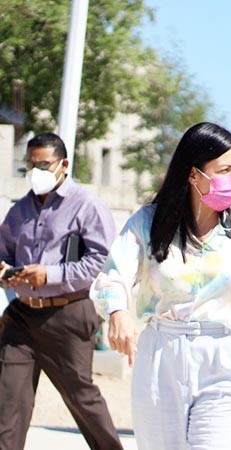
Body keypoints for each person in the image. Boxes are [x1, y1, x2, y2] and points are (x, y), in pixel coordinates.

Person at [89, 122, 231, 449]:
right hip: (162, 358)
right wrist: (118, 311)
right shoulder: (148, 222)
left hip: (228, 360)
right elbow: (113, 273)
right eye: (223, 170)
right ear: (193, 174)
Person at [0, 132, 122, 450]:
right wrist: (4, 271)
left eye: (44, 164)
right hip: (21, 318)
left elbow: (101, 262)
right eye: (30, 164)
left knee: (81, 397)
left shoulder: (87, 206)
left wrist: (49, 274)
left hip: (68, 314)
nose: (36, 171)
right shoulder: (19, 211)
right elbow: (5, 253)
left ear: (64, 164)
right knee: (7, 404)